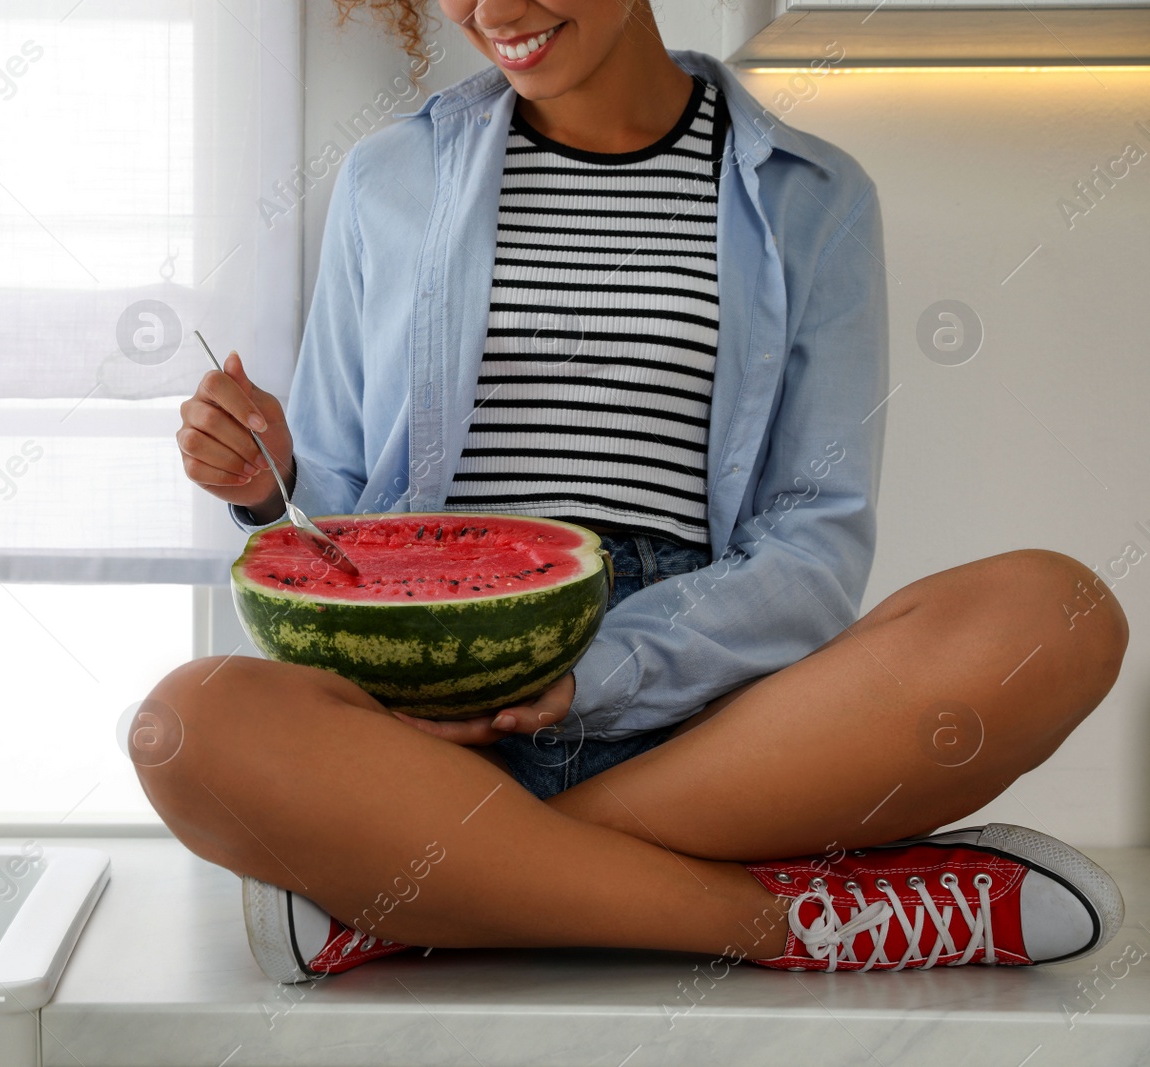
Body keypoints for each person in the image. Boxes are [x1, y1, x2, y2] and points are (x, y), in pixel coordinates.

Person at [139, 0, 1130, 981]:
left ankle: (424, 890)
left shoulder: (813, 196)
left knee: (1056, 613)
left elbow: (810, 548)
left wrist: (594, 672)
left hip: (707, 726)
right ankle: (782, 919)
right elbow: (347, 523)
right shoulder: (388, 178)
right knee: (191, 722)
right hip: (428, 739)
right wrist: (272, 484)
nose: (496, 11)